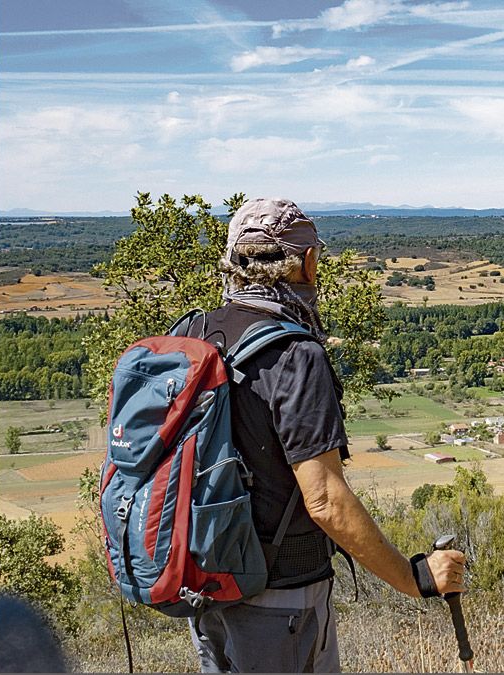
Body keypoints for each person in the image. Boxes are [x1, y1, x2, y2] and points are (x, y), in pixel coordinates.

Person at [185, 197, 466, 672]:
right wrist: (413, 577)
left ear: (232, 260)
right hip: (279, 597)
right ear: (309, 264)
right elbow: (326, 502)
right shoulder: (294, 354)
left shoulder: (195, 334)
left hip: (205, 582)